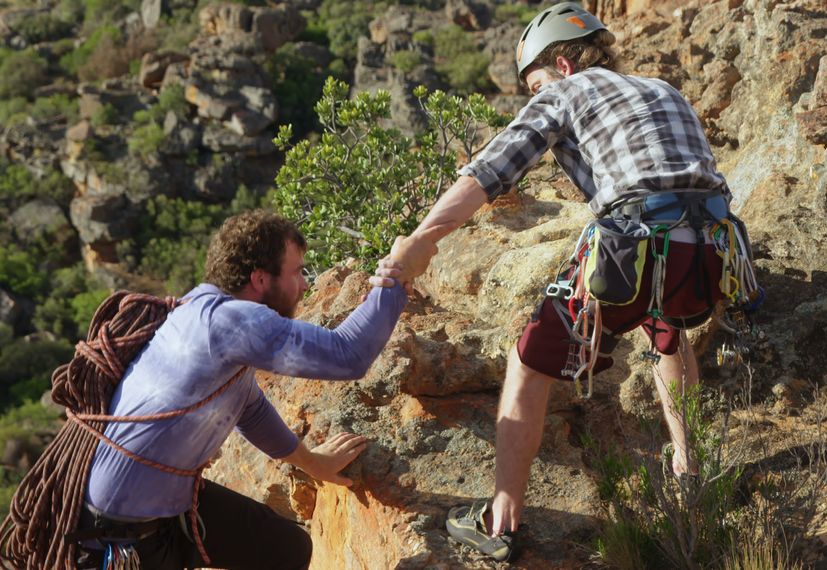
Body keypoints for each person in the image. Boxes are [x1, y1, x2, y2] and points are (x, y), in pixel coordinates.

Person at [376, 2, 737, 561]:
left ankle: (499, 521)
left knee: (529, 356)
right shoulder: (664, 89)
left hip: (630, 244)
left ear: (564, 66)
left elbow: (489, 172)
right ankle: (690, 473)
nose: (536, 94)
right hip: (709, 252)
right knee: (669, 329)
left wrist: (422, 241)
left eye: (537, 82)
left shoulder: (566, 92)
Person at [72, 210, 436, 569]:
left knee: (286, 549)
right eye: (297, 272)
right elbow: (347, 355)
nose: (305, 284)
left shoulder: (198, 311)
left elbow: (250, 408)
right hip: (121, 538)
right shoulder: (233, 320)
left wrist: (314, 463)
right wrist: (395, 275)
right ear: (260, 279)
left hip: (161, 507)